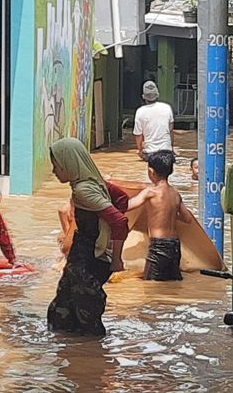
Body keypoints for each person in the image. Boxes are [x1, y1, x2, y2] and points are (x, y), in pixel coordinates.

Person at [47, 138, 129, 336]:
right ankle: (81, 359)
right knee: (61, 314)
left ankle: (96, 362)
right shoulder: (95, 182)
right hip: (85, 258)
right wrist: (106, 237)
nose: (54, 171)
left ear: (69, 163)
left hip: (88, 261)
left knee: (86, 321)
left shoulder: (84, 190)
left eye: (56, 165)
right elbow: (122, 199)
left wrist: (116, 257)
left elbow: (120, 222)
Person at [127, 150, 192, 281]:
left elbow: (128, 206)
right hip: (175, 246)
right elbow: (188, 219)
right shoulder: (175, 193)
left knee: (151, 285)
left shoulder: (151, 192)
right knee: (173, 283)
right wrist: (169, 213)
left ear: (151, 172)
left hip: (158, 246)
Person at [133, 81, 174, 161]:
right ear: (157, 95)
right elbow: (171, 130)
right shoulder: (167, 108)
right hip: (167, 151)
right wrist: (171, 147)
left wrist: (140, 150)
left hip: (150, 153)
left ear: (143, 97)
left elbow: (138, 135)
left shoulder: (140, 111)